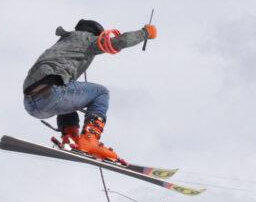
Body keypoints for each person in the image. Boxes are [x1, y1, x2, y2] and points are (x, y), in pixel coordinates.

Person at [22, 19, 157, 162]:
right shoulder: (87, 39)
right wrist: (145, 33)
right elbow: (118, 42)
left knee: (68, 96)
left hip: (31, 104)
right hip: (53, 93)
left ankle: (71, 139)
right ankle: (89, 140)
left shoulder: (62, 43)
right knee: (101, 92)